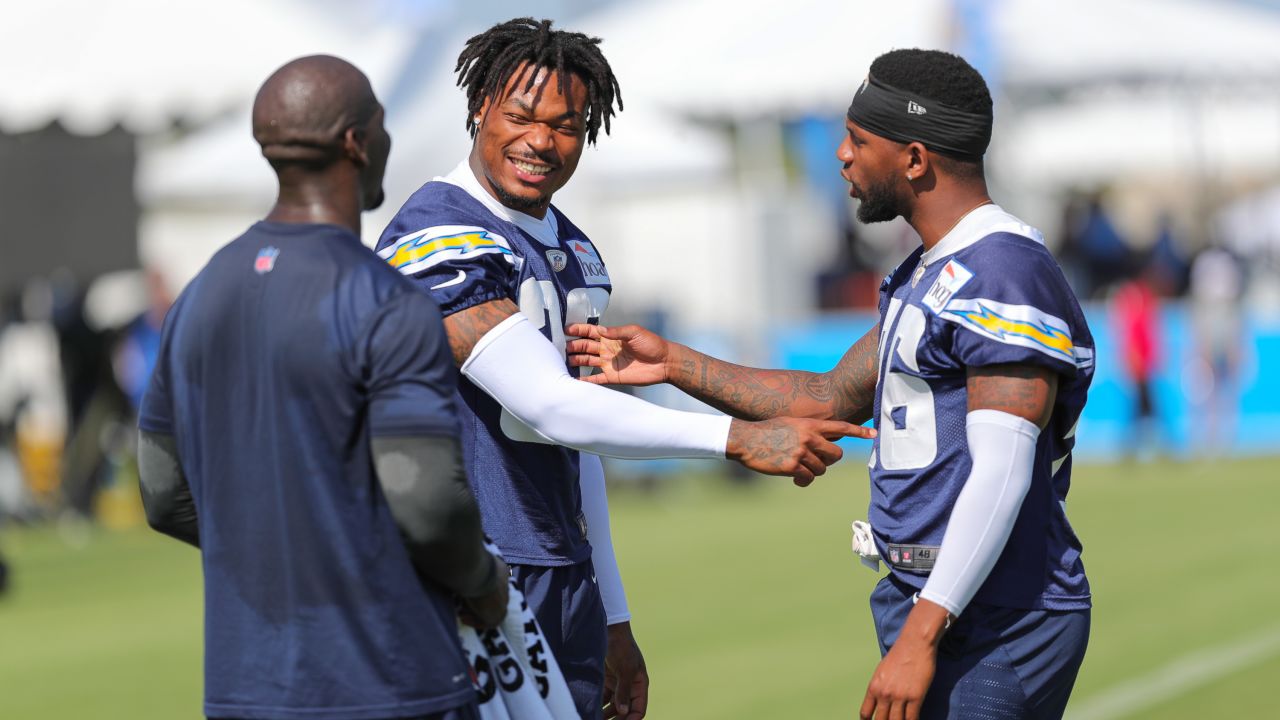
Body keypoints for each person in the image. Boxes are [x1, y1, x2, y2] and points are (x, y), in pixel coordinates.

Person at [568, 49, 1094, 720]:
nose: (842, 156)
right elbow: (826, 397)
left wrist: (922, 635)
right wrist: (672, 363)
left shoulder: (1002, 273)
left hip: (999, 610)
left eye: (859, 140)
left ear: (914, 158)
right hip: (938, 598)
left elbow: (1002, 471)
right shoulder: (928, 271)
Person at [375, 18, 870, 720]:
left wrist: (612, 615)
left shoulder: (574, 249)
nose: (540, 141)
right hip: (467, 572)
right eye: (519, 115)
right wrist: (732, 438)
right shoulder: (436, 234)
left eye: (566, 124)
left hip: (560, 571)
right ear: (479, 104)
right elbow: (548, 407)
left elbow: (582, 444)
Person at [137, 56, 508, 720]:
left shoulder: (196, 300)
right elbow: (425, 503)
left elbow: (163, 495)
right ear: (357, 142)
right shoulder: (389, 303)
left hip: (243, 689)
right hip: (391, 685)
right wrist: (483, 582)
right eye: (383, 125)